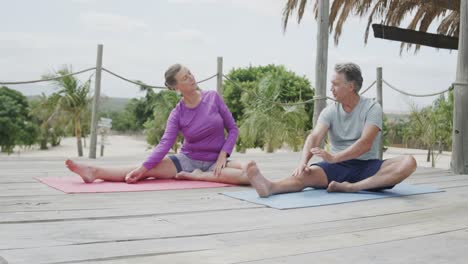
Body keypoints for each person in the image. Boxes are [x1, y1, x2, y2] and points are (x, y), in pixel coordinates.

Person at [247, 62, 417, 197]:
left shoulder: (372, 108)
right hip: (337, 167)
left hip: (368, 167)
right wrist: (303, 163)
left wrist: (335, 157)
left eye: (335, 84)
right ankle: (270, 187)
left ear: (351, 86)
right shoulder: (330, 111)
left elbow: (365, 144)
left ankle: (351, 188)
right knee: (305, 175)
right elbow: (314, 137)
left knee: (409, 162)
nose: (331, 89)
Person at [66, 64, 249, 185]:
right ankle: (94, 171)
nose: (191, 78)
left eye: (190, 73)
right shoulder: (177, 113)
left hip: (216, 162)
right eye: (185, 78)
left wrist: (223, 156)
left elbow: (233, 129)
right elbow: (165, 144)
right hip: (187, 161)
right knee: (142, 171)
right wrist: (143, 169)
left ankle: (200, 177)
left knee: (247, 174)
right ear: (176, 87)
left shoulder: (213, 98)